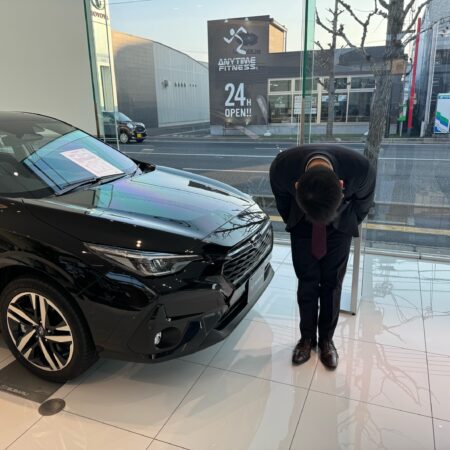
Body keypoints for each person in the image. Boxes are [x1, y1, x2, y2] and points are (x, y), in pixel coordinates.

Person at [269, 144, 376, 369]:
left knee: (332, 283)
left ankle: (327, 340)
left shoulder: (360, 170)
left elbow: (363, 206)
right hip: (303, 223)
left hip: (339, 226)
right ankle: (306, 339)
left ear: (341, 186)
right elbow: (283, 202)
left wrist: (345, 225)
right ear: (297, 185)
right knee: (306, 282)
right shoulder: (282, 168)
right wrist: (297, 220)